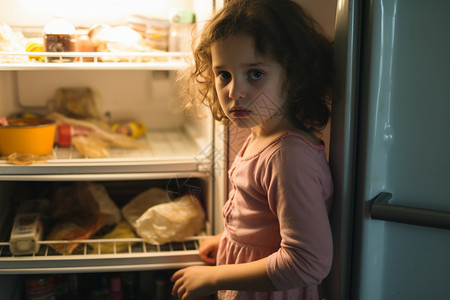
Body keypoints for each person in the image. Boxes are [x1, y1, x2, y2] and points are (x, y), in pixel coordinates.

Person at [171, 0, 334, 299]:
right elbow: (265, 226)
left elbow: (308, 262)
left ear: (294, 78)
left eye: (255, 74)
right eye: (224, 74)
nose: (234, 92)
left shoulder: (288, 157)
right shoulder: (259, 133)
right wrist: (227, 240)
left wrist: (213, 278)